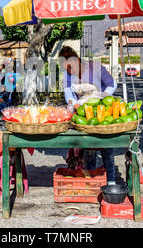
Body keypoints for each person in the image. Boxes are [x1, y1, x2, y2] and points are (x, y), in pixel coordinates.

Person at [59, 46, 118, 185]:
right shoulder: (68, 76)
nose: (69, 71)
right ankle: (91, 179)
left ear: (78, 60)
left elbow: (112, 84)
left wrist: (103, 96)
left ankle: (110, 181)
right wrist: (73, 104)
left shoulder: (96, 68)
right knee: (89, 147)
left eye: (71, 67)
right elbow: (69, 94)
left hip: (102, 110)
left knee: (106, 146)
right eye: (66, 68)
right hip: (83, 113)